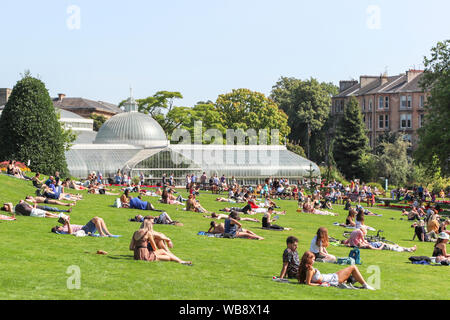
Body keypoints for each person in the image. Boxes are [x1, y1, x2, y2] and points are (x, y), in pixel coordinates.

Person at [297, 251, 375, 290]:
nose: (314, 261)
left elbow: (306, 281)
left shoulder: (306, 268)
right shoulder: (310, 269)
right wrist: (320, 285)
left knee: (349, 273)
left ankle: (353, 282)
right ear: (309, 259)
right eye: (313, 259)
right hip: (332, 279)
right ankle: (365, 285)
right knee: (353, 267)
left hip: (331, 276)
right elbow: (308, 283)